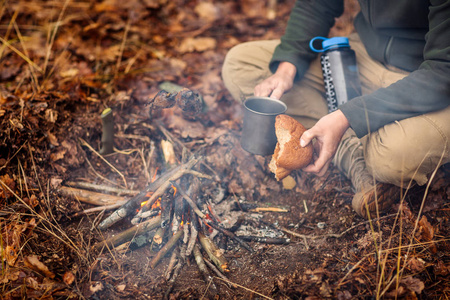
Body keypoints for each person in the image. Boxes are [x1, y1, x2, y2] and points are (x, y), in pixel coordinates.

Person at [222, 0, 450, 218]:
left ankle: (381, 158)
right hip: (363, 56)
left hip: (429, 76)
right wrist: (287, 66)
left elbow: (443, 73)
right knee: (241, 65)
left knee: (392, 159)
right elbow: (316, 4)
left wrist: (348, 116)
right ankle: (353, 155)